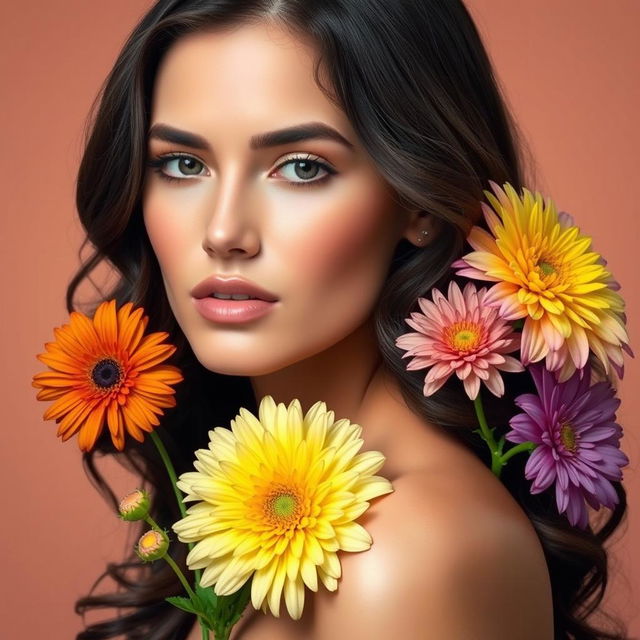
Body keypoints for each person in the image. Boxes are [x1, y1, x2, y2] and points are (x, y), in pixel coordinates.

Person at [70, 1, 629, 639]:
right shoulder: (244, 497)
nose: (223, 232)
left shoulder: (406, 557)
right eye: (182, 164)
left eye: (302, 168)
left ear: (418, 199)